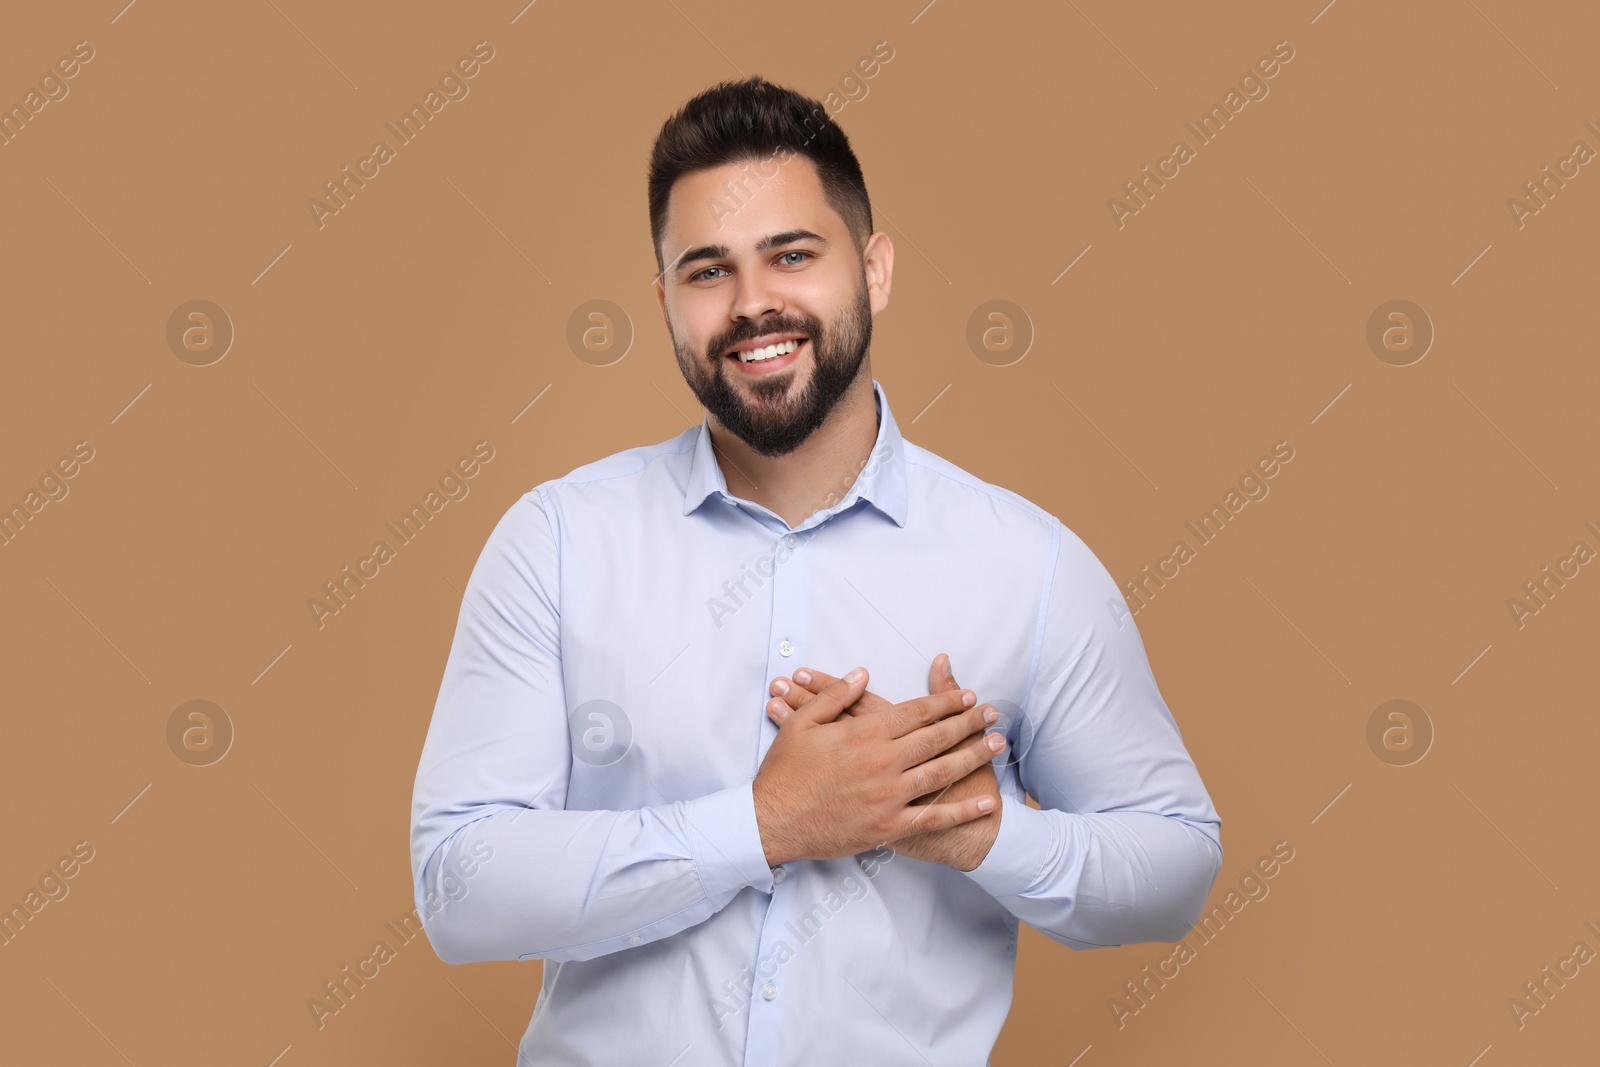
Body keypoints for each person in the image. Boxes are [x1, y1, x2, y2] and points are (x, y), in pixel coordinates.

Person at [409, 75, 1222, 1066]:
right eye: (708, 271)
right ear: (665, 303)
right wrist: (765, 822)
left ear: (873, 269)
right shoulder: (558, 541)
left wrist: (980, 831)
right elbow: (458, 883)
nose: (753, 304)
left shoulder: (1028, 564)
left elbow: (1176, 863)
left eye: (791, 255)